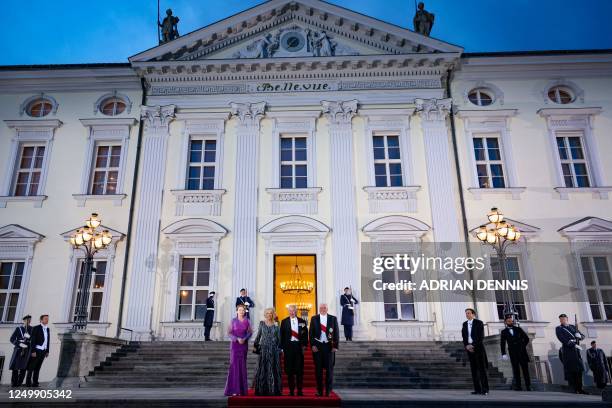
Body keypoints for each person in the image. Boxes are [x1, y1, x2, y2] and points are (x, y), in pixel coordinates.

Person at [309, 303, 339, 397]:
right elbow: (311, 333)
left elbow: (336, 333)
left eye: (324, 308)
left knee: (329, 371)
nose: (323, 309)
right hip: (317, 346)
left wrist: (335, 346)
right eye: (321, 308)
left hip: (329, 347)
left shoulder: (333, 318)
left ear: (327, 309)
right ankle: (319, 391)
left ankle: (328, 391)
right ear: (319, 309)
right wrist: (312, 345)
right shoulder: (314, 318)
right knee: (318, 371)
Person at [224, 305, 252, 396]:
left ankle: (242, 390)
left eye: (243, 310)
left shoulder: (247, 321)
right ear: (237, 311)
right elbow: (229, 333)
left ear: (245, 311)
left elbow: (250, 332)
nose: (241, 311)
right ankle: (233, 390)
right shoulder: (233, 321)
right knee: (234, 367)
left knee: (242, 367)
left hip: (243, 346)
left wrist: (244, 338)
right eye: (240, 310)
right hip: (235, 346)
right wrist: (236, 339)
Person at [253, 307, 282, 396]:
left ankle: (274, 390)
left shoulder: (277, 324)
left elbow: (279, 338)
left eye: (271, 313)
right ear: (265, 314)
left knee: (273, 369)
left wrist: (279, 349)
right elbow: (258, 335)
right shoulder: (262, 323)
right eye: (268, 313)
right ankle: (262, 390)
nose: (269, 314)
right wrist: (255, 346)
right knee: (263, 369)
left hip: (274, 350)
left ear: (273, 314)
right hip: (264, 349)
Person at [280, 305, 308, 396]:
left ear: (296, 311)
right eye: (290, 311)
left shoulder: (302, 321)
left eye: (294, 311)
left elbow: (305, 335)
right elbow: (282, 336)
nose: (292, 312)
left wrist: (304, 346)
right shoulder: (284, 322)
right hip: (288, 348)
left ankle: (299, 391)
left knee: (300, 370)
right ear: (288, 311)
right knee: (289, 371)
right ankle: (291, 391)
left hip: (299, 348)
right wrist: (282, 349)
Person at [556, 313, 587, 394]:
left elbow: (583, 336)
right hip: (568, 351)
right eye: (561, 319)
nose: (562, 320)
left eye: (564, 318)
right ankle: (573, 388)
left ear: (567, 319)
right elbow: (562, 339)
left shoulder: (573, 327)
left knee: (578, 370)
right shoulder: (559, 328)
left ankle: (580, 388)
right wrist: (573, 343)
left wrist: (579, 336)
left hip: (576, 352)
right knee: (571, 370)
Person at [500, 314, 531, 391]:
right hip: (513, 353)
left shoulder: (518, 329)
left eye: (511, 321)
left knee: (525, 370)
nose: (510, 322)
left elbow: (526, 338)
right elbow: (502, 343)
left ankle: (528, 386)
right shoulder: (504, 332)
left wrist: (522, 346)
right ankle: (518, 386)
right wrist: (503, 353)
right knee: (516, 370)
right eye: (508, 321)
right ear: (505, 322)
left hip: (522, 352)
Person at [462, 308, 489, 395]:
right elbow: (464, 337)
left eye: (469, 313)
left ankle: (485, 389)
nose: (467, 315)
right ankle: (477, 389)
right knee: (474, 370)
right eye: (466, 313)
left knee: (481, 370)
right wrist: (467, 346)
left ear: (473, 314)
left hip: (478, 349)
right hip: (469, 349)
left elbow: (480, 336)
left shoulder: (479, 323)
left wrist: (473, 345)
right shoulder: (464, 324)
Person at [25, 314, 50, 388]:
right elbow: (33, 340)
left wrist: (47, 350)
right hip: (37, 350)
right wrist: (33, 351)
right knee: (31, 367)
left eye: (47, 319)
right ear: (41, 320)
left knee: (38, 367)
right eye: (45, 319)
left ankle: (35, 383)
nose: (47, 320)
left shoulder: (47, 329)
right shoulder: (36, 328)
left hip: (43, 351)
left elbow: (47, 340)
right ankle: (28, 383)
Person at [9, 315, 33, 387]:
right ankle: (14, 383)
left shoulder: (32, 329)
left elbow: (33, 340)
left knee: (23, 367)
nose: (28, 321)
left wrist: (29, 339)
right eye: (27, 320)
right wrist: (19, 344)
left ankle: (19, 382)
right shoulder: (18, 329)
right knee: (15, 367)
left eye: (29, 320)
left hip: (26, 350)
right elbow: (12, 339)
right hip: (18, 349)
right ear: (24, 321)